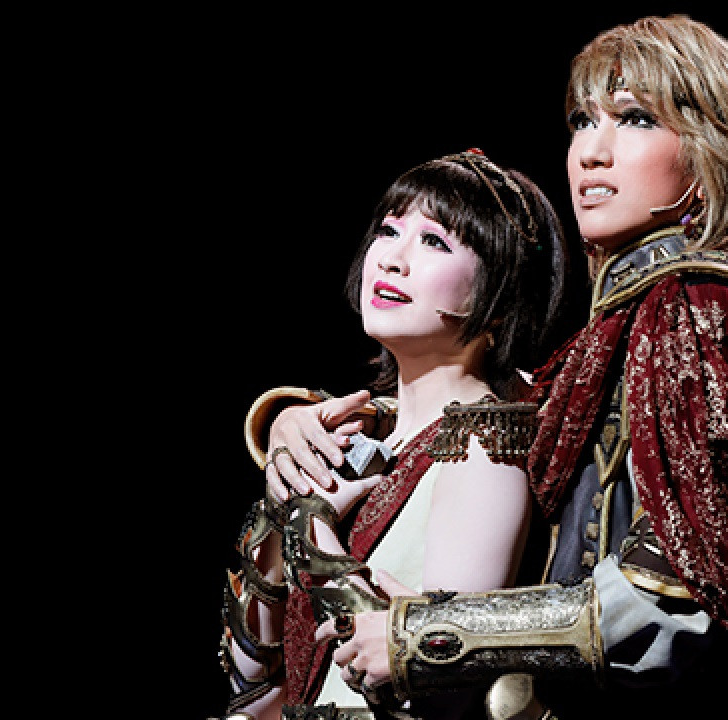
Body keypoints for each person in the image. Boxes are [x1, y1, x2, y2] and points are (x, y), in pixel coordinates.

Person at [256, 14, 728, 719]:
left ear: (708, 152)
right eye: (581, 121)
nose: (591, 152)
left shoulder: (699, 307)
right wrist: (300, 420)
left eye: (635, 119)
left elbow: (677, 587)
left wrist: (422, 636)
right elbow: (502, 409)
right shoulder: (640, 318)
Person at [214, 149, 581, 720]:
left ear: (501, 301)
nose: (391, 259)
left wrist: (310, 527)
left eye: (435, 241)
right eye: (389, 230)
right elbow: (253, 681)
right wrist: (285, 503)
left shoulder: (480, 450)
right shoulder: (357, 435)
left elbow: (433, 688)